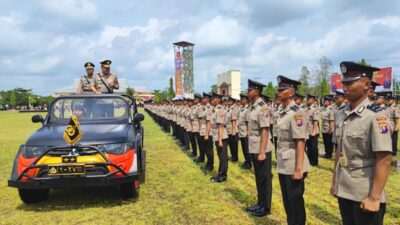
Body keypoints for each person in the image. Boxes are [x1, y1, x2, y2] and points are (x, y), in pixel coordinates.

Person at [330, 61, 392, 225]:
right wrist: (335, 181)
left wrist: (374, 197)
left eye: (350, 83)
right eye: (344, 83)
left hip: (365, 191)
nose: (344, 87)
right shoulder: (342, 114)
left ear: (366, 85)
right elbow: (339, 151)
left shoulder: (376, 117)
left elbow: (384, 159)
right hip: (345, 187)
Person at [276, 75, 310, 225]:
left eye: (282, 89)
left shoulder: (297, 113)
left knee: (295, 201)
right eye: (279, 89)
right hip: (283, 162)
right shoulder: (282, 111)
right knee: (287, 201)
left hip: (293, 163)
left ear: (291, 93)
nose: (278, 91)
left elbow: (300, 141)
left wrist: (298, 169)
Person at [244, 80, 273, 217]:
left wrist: (262, 151)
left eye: (249, 90)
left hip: (262, 147)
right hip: (254, 145)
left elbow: (265, 130)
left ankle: (266, 207)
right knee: (258, 177)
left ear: (256, 92)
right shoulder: (253, 106)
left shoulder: (262, 107)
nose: (247, 92)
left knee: (265, 178)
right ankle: (260, 203)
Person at [208, 92, 229, 183]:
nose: (211, 101)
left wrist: (220, 140)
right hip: (217, 136)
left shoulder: (220, 110)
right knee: (220, 156)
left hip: (221, 137)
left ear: (218, 99)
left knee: (223, 157)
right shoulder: (215, 109)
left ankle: (222, 175)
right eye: (211, 99)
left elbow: (220, 125)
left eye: (213, 99)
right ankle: (221, 173)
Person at [305, 94, 320, 166]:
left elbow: (315, 121)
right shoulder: (305, 108)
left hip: (312, 131)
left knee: (313, 147)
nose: (307, 100)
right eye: (307, 98)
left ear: (313, 101)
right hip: (306, 131)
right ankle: (309, 160)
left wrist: (314, 131)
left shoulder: (315, 109)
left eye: (309, 99)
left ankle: (314, 162)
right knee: (308, 147)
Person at [200, 92, 214, 171]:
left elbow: (209, 122)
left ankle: (210, 165)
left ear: (208, 99)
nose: (203, 99)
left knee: (209, 150)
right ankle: (208, 164)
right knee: (205, 149)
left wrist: (206, 134)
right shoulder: (205, 108)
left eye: (204, 98)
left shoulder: (209, 108)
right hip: (203, 131)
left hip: (208, 132)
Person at [238, 93, 251, 169]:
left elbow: (248, 122)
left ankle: (249, 163)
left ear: (246, 100)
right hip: (241, 131)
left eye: (242, 99)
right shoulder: (242, 109)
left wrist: (248, 132)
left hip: (245, 132)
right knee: (243, 148)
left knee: (247, 149)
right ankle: (246, 161)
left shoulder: (247, 109)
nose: (241, 100)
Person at [385, 92, 399, 156]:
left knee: (394, 139)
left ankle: (394, 152)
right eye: (387, 99)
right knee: (389, 139)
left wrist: (397, 127)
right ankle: (389, 150)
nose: (387, 101)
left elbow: (397, 118)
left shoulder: (395, 107)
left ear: (393, 100)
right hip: (388, 125)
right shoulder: (388, 107)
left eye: (389, 100)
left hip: (393, 125)